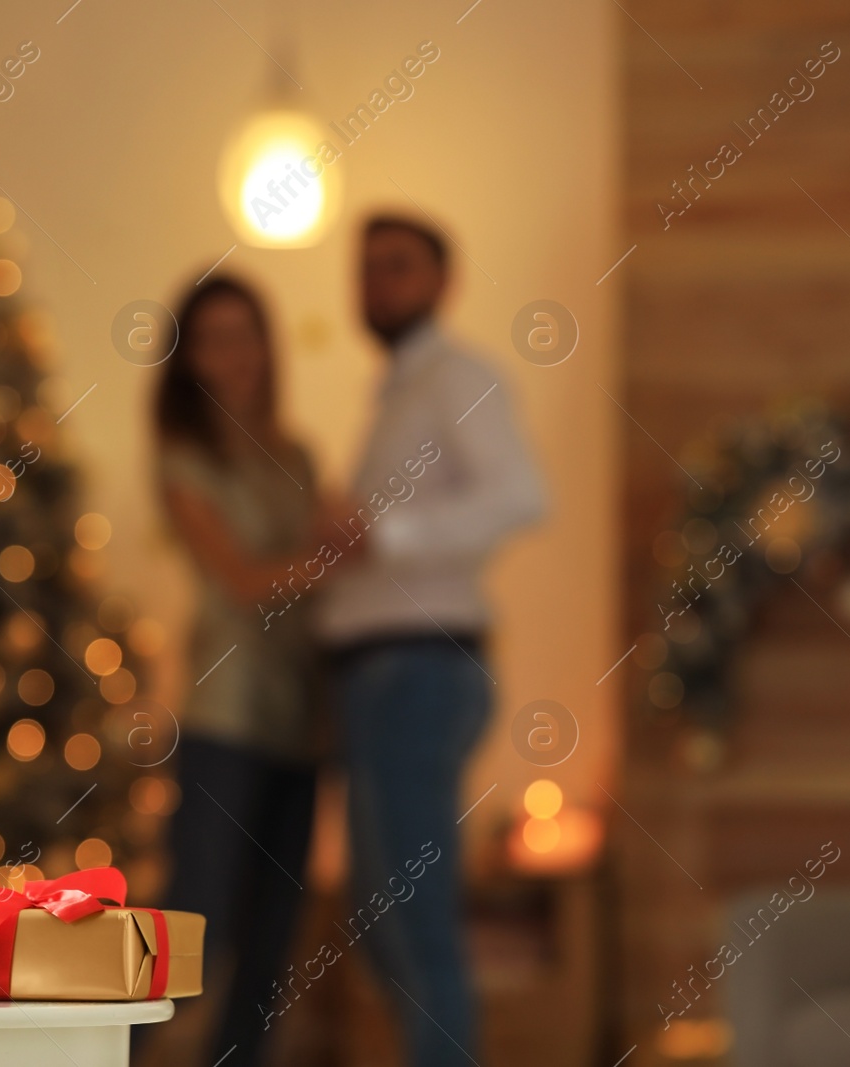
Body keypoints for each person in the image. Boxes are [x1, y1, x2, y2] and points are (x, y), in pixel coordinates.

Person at [319, 215, 547, 1067]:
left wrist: (383, 536)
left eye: (398, 266)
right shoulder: (396, 394)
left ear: (443, 281)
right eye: (367, 269)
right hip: (380, 679)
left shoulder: (458, 378)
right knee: (388, 933)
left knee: (417, 934)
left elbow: (521, 496)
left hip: (413, 673)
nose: (378, 283)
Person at [153, 275, 328, 1066]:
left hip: (303, 720)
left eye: (245, 334)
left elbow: (321, 568)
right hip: (225, 716)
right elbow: (242, 578)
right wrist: (332, 557)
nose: (236, 355)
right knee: (200, 925)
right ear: (189, 359)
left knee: (272, 942)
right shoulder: (184, 462)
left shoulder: (296, 455)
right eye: (215, 338)